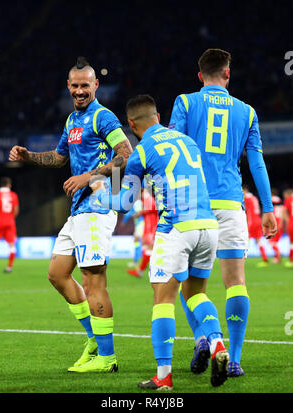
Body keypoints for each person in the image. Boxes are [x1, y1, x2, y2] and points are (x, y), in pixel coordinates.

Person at [92, 94, 229, 390]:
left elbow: (126, 202)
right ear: (157, 116)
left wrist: (101, 193)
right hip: (208, 225)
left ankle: (164, 376)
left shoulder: (142, 151)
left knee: (163, 300)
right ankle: (218, 345)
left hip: (176, 229)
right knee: (195, 295)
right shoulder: (186, 140)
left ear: (131, 124)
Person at [9, 56, 133, 373]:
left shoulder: (102, 117)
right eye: (75, 86)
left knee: (93, 282)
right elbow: (58, 157)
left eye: (85, 86)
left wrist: (90, 176)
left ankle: (107, 358)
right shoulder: (71, 121)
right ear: (68, 86)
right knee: (57, 274)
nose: (80, 91)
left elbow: (126, 154)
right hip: (79, 210)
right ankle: (94, 340)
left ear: (96, 85)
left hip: (98, 207)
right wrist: (29, 156)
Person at [169, 48, 277, 377]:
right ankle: (235, 358)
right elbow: (256, 161)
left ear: (200, 76)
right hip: (231, 204)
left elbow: (174, 148)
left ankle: (203, 338)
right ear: (228, 74)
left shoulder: (185, 103)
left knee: (190, 285)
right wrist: (268, 208)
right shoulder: (247, 111)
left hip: (192, 205)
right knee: (236, 282)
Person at [127, 186, 158, 278]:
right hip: (148, 224)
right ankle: (142, 269)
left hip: (151, 225)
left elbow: (154, 208)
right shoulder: (145, 196)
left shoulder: (147, 195)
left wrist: (140, 213)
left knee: (149, 247)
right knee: (147, 247)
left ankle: (142, 270)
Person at [0, 177, 19, 273]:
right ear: (8, 185)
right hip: (10, 221)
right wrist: (11, 219)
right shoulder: (13, 195)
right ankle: (9, 267)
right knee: (11, 245)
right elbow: (16, 210)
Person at [243, 185, 269, 267]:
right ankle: (265, 258)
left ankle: (240, 260)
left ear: (245, 190)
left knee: (243, 239)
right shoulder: (254, 197)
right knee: (258, 241)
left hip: (251, 222)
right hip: (258, 220)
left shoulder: (246, 198)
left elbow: (245, 210)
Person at [269, 189, 284, 264]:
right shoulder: (280, 201)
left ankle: (278, 254)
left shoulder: (272, 200)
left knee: (271, 241)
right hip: (280, 222)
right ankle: (276, 258)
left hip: (274, 221)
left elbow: (270, 211)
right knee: (276, 242)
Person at [283, 188, 293, 267]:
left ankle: (291, 261)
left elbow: (285, 212)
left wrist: (286, 223)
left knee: (291, 243)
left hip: (291, 223)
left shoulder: (289, 199)